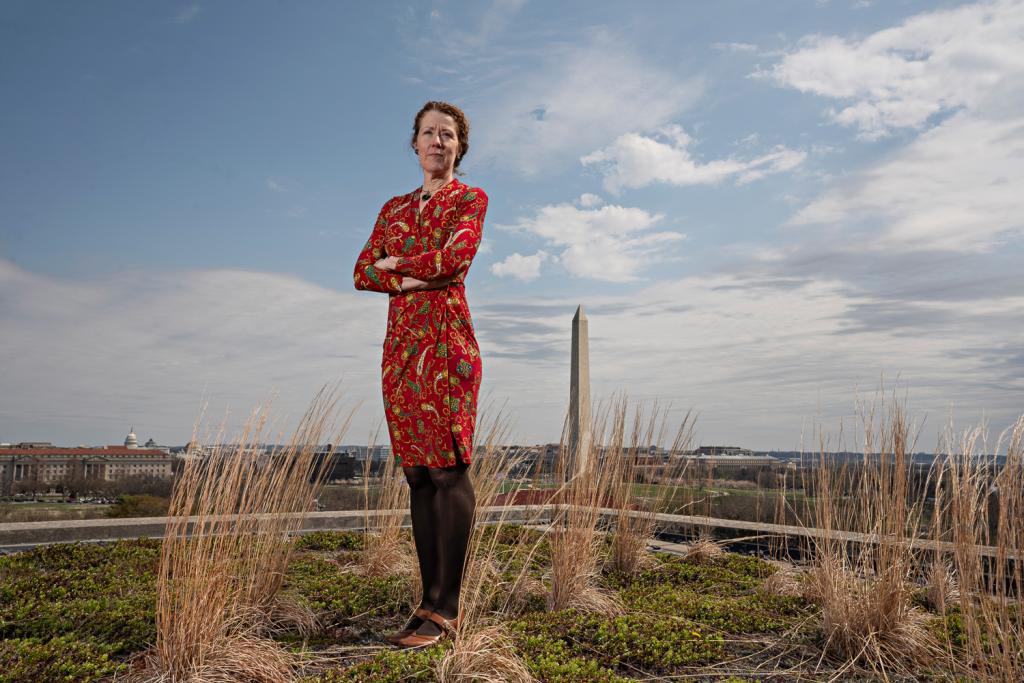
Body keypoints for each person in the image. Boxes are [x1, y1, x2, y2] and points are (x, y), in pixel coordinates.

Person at [352, 101, 487, 648]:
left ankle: (446, 610)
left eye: (448, 135)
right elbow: (362, 271)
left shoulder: (470, 200)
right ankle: (426, 601)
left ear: (459, 146)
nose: (438, 141)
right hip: (402, 352)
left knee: (449, 471)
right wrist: (411, 275)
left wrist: (397, 267)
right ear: (414, 144)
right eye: (429, 133)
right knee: (417, 475)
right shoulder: (394, 208)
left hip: (447, 347)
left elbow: (455, 259)